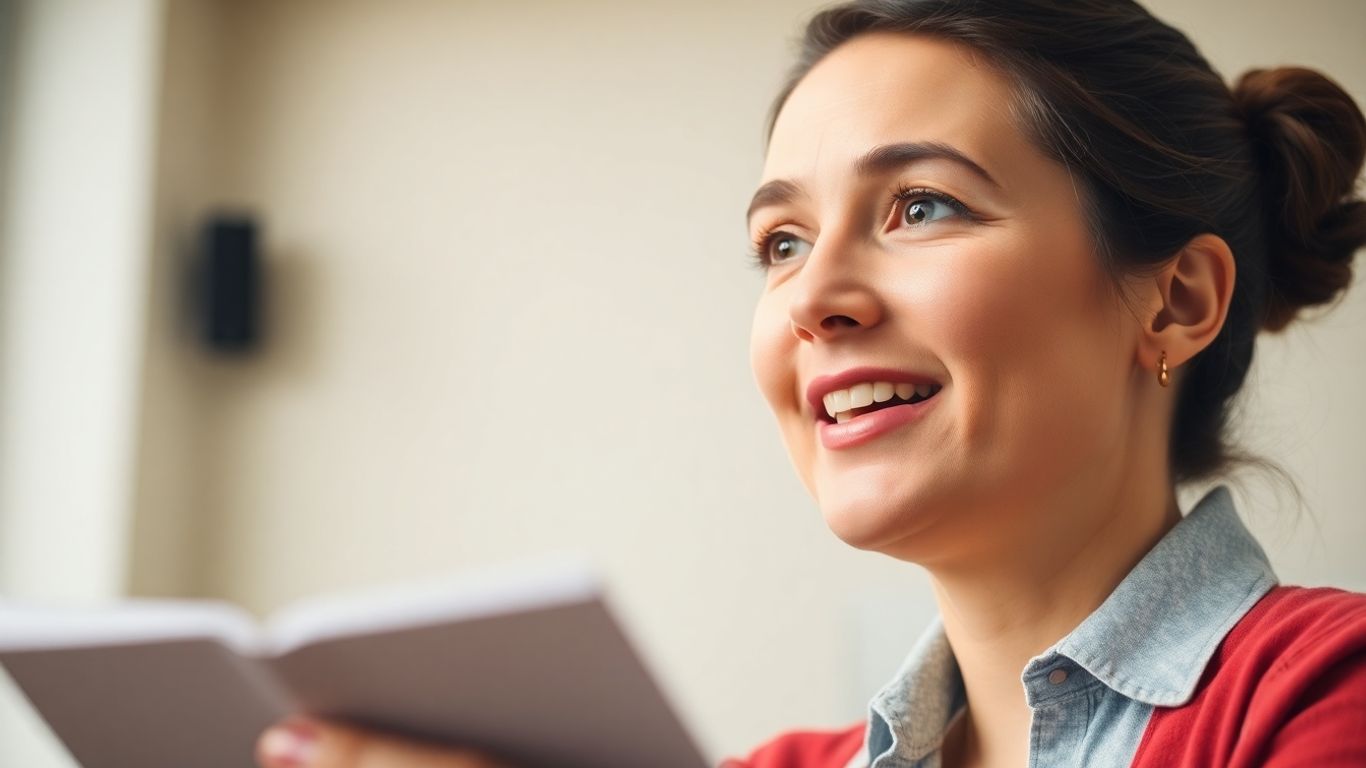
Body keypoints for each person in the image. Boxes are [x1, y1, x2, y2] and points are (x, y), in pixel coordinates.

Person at [254, 1, 1366, 766]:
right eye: (780, 243)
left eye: (920, 206)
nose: (812, 297)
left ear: (1175, 300)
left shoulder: (1326, 696)